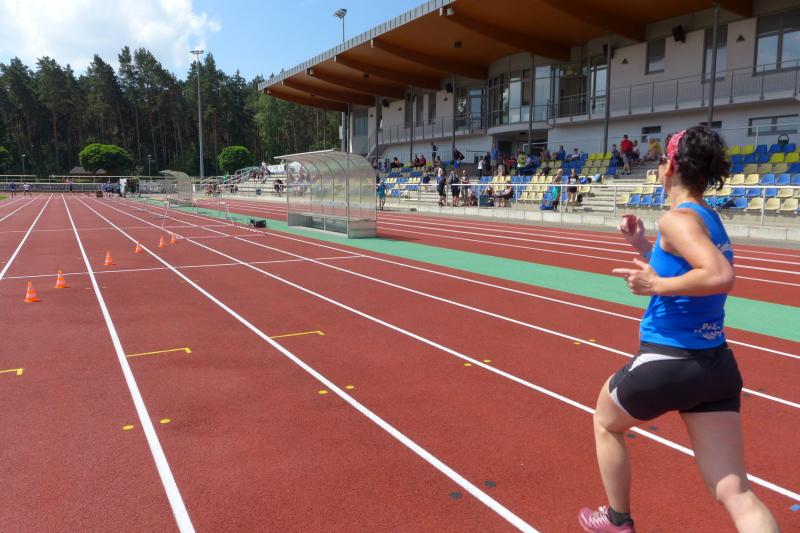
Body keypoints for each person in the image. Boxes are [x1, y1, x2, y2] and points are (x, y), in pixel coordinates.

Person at [578, 126, 778, 533]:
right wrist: (642, 246)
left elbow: (719, 275)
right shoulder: (707, 218)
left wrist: (655, 286)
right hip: (716, 366)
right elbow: (689, 267)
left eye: (659, 160)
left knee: (605, 421)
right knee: (736, 492)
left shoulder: (677, 219)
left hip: (670, 358)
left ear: (671, 166)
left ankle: (617, 519)